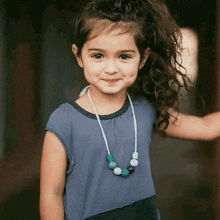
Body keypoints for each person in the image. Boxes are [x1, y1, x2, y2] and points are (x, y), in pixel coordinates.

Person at [40, 0, 220, 219]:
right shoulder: (63, 121)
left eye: (124, 56)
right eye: (98, 55)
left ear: (142, 58)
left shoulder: (144, 110)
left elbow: (204, 127)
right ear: (79, 56)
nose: (111, 68)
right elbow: (51, 194)